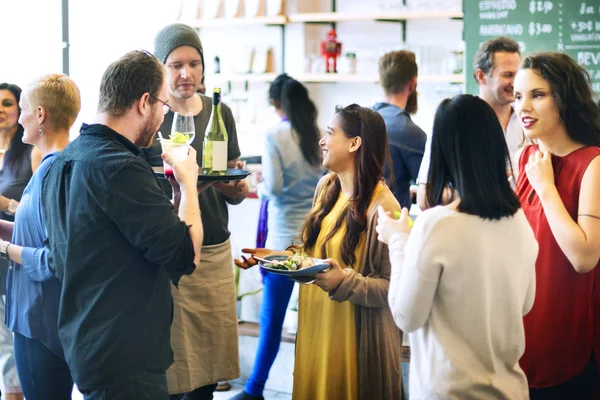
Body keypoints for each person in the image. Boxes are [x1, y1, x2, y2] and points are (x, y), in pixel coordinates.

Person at [40, 50, 203, 399]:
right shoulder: (120, 167)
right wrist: (189, 184)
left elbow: (138, 242)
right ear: (144, 102)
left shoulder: (63, 161)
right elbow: (185, 254)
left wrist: (175, 195)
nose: (162, 115)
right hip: (126, 359)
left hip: (88, 344)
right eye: (163, 104)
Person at [237, 104, 403, 400]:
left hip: (351, 343)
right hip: (316, 325)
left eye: (330, 133)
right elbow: (314, 254)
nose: (322, 141)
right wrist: (277, 258)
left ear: (354, 143)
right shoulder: (327, 187)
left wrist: (343, 282)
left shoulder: (383, 207)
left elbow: (393, 289)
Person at [377, 94, 538, 399]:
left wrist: (398, 240)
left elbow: (407, 316)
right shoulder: (519, 220)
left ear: (443, 151)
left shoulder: (436, 225)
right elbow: (525, 304)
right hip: (510, 389)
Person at [147, 23, 248, 400]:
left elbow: (237, 191)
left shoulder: (219, 113)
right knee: (172, 367)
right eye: (175, 65)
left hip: (213, 249)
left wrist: (224, 182)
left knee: (208, 367)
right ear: (160, 67)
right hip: (168, 252)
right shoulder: (149, 116)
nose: (186, 73)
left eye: (193, 63)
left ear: (204, 67)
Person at [513, 52, 600, 399]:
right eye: (518, 96)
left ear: (564, 98)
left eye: (537, 95)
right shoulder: (526, 158)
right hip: (522, 328)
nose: (524, 107)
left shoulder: (592, 163)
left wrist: (547, 188)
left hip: (569, 335)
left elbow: (584, 257)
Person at [231, 74, 322, 400]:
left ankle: (254, 389)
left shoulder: (274, 135)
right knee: (312, 323)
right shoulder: (315, 133)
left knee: (272, 321)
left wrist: (257, 183)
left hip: (281, 239)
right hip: (313, 237)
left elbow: (276, 187)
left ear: (276, 103)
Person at [0, 74, 80, 399]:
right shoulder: (55, 166)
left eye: (22, 110)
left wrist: (5, 249)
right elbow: (34, 232)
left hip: (41, 323)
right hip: (37, 316)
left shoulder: (53, 172)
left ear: (41, 115)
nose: (19, 118)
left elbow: (53, 258)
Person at [417, 36, 523, 210]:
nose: (515, 83)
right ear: (481, 76)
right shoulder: (455, 121)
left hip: (518, 227)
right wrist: (478, 189)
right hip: (470, 229)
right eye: (507, 75)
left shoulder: (528, 121)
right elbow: (424, 198)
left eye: (518, 75)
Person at [0, 82, 41, 400]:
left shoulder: (32, 151)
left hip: (19, 252)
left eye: (7, 103)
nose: (0, 110)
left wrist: (5, 204)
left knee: (12, 332)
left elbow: (40, 210)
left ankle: (15, 392)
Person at [373, 50, 426, 209]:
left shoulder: (357, 120)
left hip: (353, 225)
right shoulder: (409, 132)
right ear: (412, 84)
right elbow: (432, 190)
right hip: (389, 226)